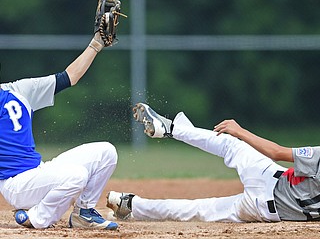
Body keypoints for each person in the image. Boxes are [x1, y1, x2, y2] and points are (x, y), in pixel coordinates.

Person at [0, 11, 121, 229]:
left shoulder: (19, 90)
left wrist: (96, 44)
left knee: (106, 152)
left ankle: (84, 213)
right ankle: (36, 218)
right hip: (15, 185)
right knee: (77, 175)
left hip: (38, 173)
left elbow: (69, 77)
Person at [107, 102, 320, 223]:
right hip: (264, 209)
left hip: (268, 180)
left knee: (230, 143)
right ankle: (130, 205)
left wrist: (241, 131)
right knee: (197, 209)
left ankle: (172, 129)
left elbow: (276, 152)